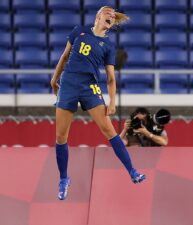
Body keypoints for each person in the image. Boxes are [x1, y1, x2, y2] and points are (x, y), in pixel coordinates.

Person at [50, 6, 145, 201]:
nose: (111, 15)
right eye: (107, 12)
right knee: (61, 136)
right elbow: (65, 56)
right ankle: (63, 179)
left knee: (109, 130)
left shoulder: (108, 46)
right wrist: (54, 79)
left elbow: (111, 78)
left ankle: (132, 171)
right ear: (98, 16)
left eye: (113, 15)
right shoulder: (79, 31)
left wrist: (112, 101)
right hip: (69, 82)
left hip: (90, 86)